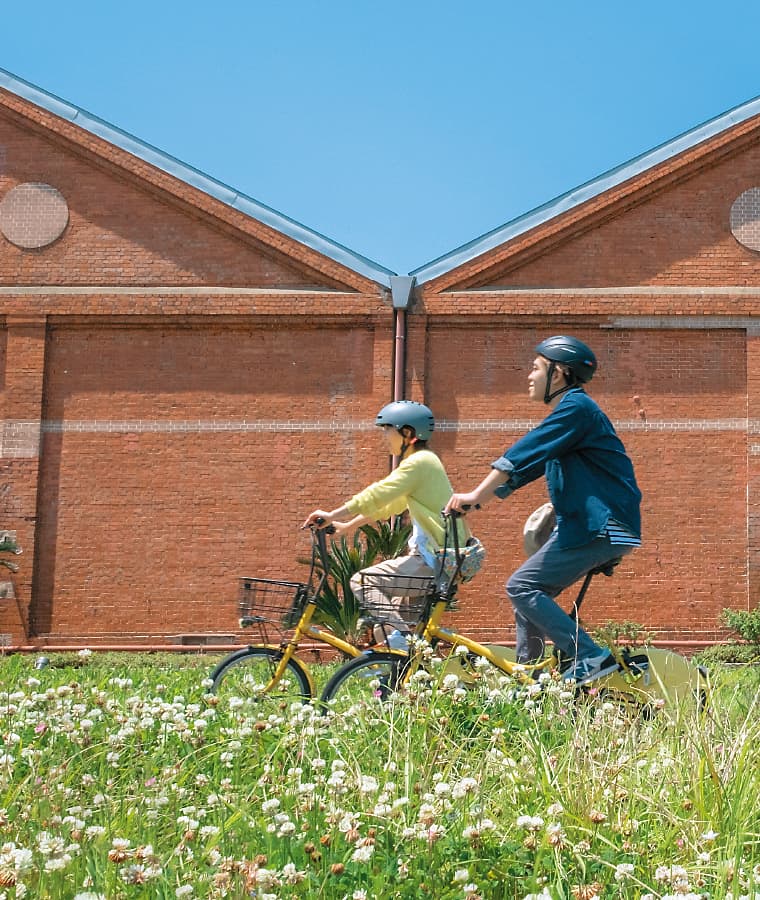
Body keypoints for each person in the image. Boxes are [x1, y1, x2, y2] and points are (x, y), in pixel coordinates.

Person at [445, 335, 642, 685]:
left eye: (536, 368)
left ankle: (589, 656)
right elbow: (529, 467)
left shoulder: (576, 409)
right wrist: (478, 501)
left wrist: (475, 493)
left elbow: (526, 450)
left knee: (521, 587)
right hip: (596, 526)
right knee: (530, 598)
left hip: (602, 526)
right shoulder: (573, 416)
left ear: (560, 373)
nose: (529, 376)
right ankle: (531, 681)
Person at [303, 400, 469, 650]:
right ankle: (403, 676)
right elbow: (389, 506)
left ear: (408, 434)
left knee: (363, 582)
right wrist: (345, 525)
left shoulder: (420, 462)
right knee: (385, 628)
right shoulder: (423, 464)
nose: (384, 437)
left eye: (387, 430)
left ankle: (408, 645)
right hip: (434, 561)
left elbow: (378, 493)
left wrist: (331, 513)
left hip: (433, 560)